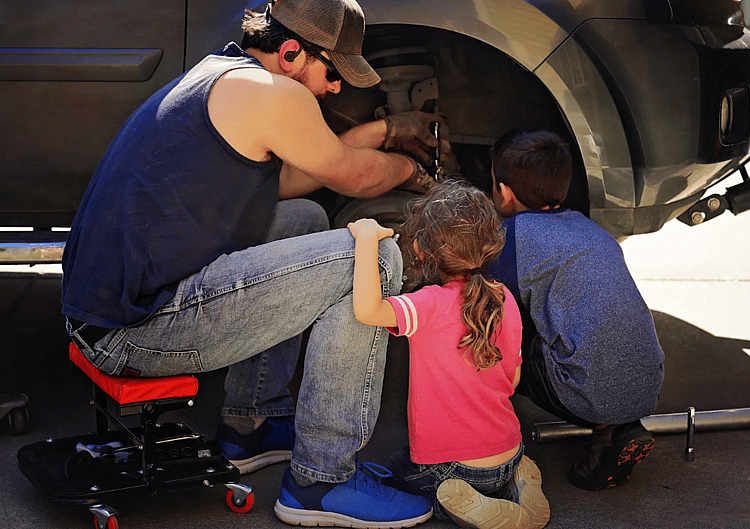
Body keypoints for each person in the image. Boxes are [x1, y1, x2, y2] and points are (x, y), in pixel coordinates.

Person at [60, 0, 450, 525]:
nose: (337, 88)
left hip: (107, 314)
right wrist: (416, 172)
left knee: (304, 218)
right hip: (133, 332)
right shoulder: (277, 94)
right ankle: (321, 481)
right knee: (374, 257)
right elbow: (354, 176)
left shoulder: (226, 77)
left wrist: (386, 131)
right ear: (290, 53)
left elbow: (290, 179)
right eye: (332, 71)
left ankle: (252, 424)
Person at [348, 180, 550, 529]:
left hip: (452, 467)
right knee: (408, 463)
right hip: (508, 449)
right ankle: (512, 483)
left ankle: (459, 506)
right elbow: (513, 379)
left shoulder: (428, 305)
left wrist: (366, 240)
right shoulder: (503, 298)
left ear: (420, 251)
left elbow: (367, 310)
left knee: (390, 479)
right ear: (490, 247)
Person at [487, 129, 665, 491]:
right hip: (648, 383)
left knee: (493, 332)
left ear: (504, 192)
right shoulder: (591, 229)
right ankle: (619, 427)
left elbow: (489, 306)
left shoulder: (512, 236)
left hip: (583, 393)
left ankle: (488, 437)